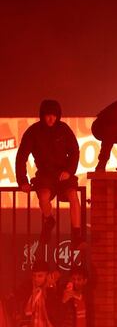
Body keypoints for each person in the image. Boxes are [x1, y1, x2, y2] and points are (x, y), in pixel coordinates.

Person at [15, 99, 83, 246]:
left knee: (73, 195)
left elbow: (74, 152)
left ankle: (77, 234)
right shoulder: (33, 132)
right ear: (42, 115)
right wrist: (22, 181)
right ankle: (49, 219)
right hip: (45, 174)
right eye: (48, 115)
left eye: (54, 115)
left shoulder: (64, 129)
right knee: (43, 196)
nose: (51, 118)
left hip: (63, 174)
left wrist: (69, 171)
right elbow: (21, 157)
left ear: (58, 116)